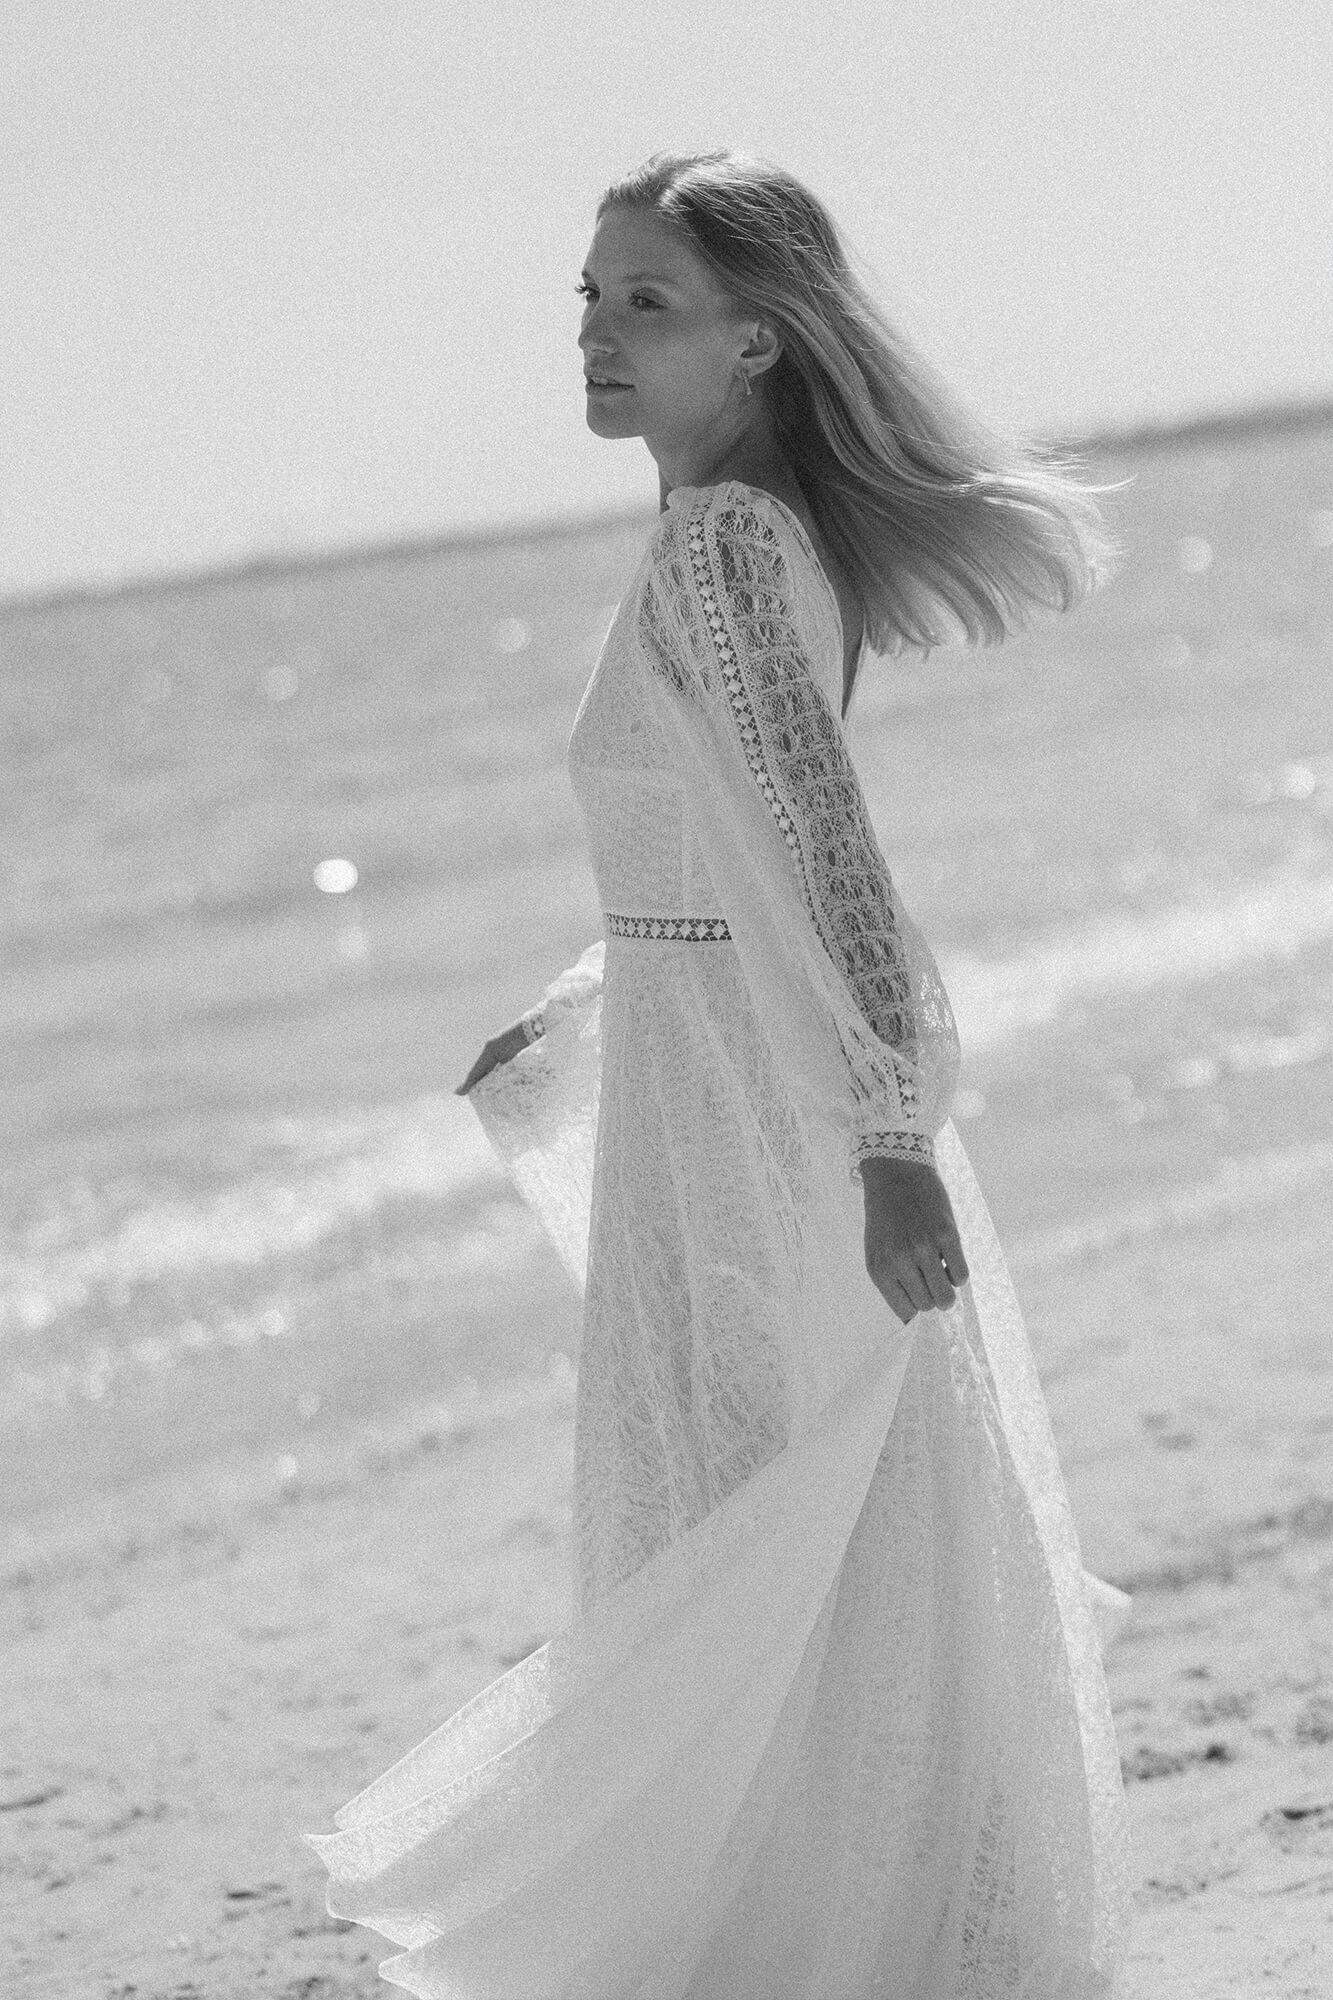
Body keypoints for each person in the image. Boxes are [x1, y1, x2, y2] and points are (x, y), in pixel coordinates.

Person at [307, 149, 1133, 1997]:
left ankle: (834, 1940)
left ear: (757, 340)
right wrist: (593, 1001)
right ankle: (856, 1921)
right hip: (726, 1090)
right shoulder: (732, 531)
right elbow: (726, 850)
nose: (596, 335)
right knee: (780, 1510)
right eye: (589, 298)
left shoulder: (724, 544)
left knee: (763, 1512)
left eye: (645, 301)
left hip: (767, 1121)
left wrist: (890, 1124)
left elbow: (826, 849)